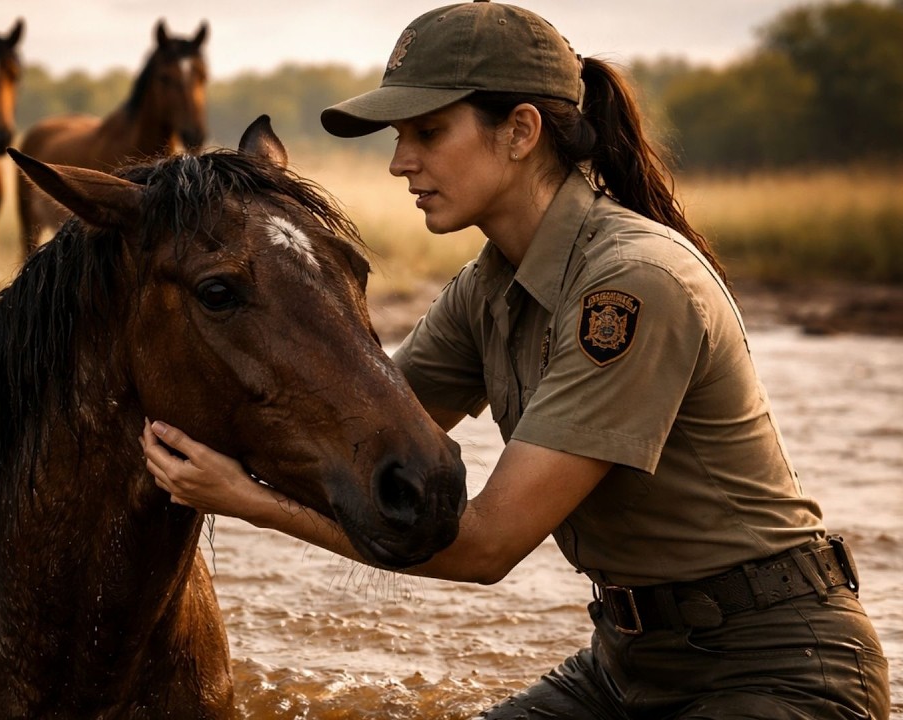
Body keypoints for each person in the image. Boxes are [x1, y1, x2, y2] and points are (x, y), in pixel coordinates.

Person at [141, 2, 891, 717]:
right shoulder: (488, 286)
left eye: (428, 132)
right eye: (399, 137)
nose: (400, 162)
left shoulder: (633, 285)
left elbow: (487, 546)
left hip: (779, 666)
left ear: (520, 131)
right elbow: (359, 431)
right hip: (626, 664)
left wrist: (250, 504)